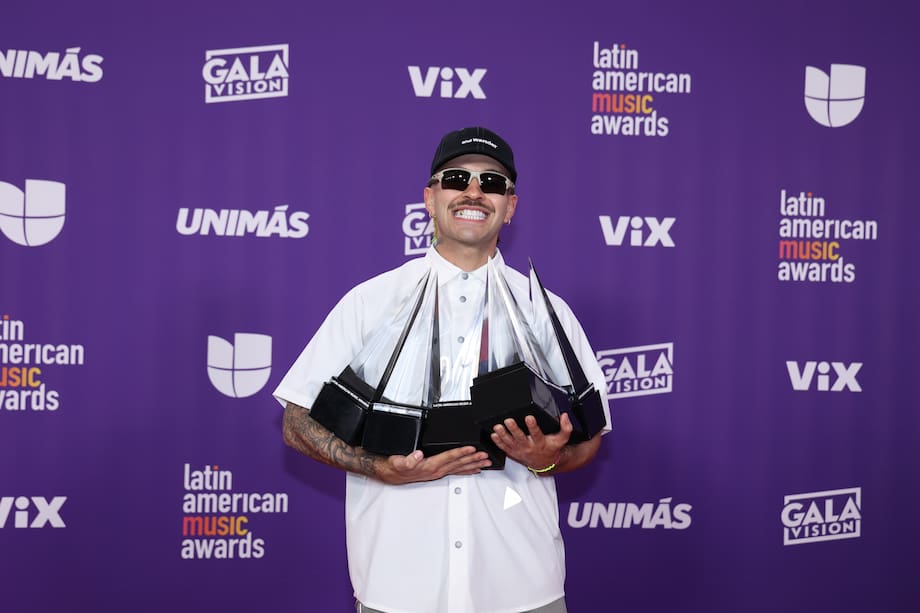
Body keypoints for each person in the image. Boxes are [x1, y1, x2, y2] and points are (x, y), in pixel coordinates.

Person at [274, 126, 611, 613]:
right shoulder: (371, 303)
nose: (474, 192)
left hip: (521, 586)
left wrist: (544, 457)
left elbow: (589, 439)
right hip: (398, 585)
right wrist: (379, 468)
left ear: (510, 206)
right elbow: (296, 421)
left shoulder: (544, 311)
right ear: (430, 198)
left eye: (492, 183)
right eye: (457, 178)